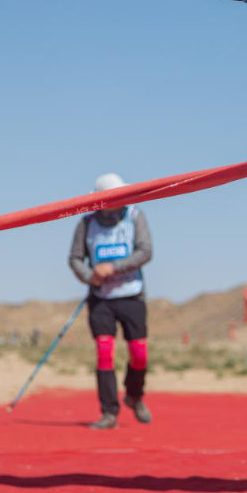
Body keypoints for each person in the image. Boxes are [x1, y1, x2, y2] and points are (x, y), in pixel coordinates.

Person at [69, 173, 154, 430]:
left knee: (139, 353)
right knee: (105, 352)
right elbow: (75, 258)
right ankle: (108, 412)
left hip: (131, 295)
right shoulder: (86, 223)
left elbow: (145, 251)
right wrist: (90, 276)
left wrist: (113, 268)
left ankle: (134, 395)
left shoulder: (135, 216)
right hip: (101, 299)